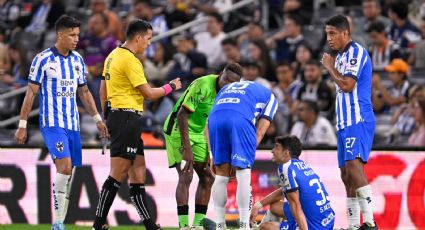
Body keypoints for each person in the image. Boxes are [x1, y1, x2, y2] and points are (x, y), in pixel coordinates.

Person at [14, 15, 108, 230]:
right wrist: (22, 124)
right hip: (52, 123)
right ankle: (57, 224)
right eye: (72, 35)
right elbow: (31, 93)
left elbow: (84, 92)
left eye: (78, 35)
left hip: (73, 124)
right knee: (64, 167)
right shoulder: (43, 59)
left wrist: (97, 119)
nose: (76, 39)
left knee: (69, 175)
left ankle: (60, 222)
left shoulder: (77, 60)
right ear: (60, 35)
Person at [92, 19, 182, 230]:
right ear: (138, 38)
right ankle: (97, 225)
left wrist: (107, 117)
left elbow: (102, 91)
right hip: (126, 118)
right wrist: (171, 86)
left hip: (120, 116)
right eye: (148, 39)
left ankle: (150, 225)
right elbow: (149, 94)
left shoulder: (112, 56)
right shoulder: (130, 61)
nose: (149, 44)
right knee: (118, 173)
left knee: (138, 171)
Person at [163, 63, 243, 229]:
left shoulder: (229, 95)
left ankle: (198, 225)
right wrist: (187, 149)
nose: (226, 84)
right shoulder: (203, 85)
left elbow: (214, 123)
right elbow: (182, 115)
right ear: (220, 74)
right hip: (178, 129)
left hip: (199, 132)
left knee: (208, 178)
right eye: (225, 79)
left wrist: (211, 153)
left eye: (231, 83)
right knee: (186, 175)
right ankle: (183, 226)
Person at [321, 15, 377, 229]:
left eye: (333, 33)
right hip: (344, 122)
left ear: (345, 32)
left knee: (354, 167)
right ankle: (354, 225)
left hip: (358, 118)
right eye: (327, 33)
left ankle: (370, 223)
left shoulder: (355, 52)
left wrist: (329, 67)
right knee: (346, 174)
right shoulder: (341, 57)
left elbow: (347, 85)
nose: (329, 38)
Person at [208, 81, 278, 229]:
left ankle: (220, 225)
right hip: (239, 119)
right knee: (243, 174)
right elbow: (260, 132)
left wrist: (212, 154)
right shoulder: (271, 97)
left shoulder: (228, 87)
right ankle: (244, 225)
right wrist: (245, 154)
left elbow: (209, 120)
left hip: (214, 118)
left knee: (221, 176)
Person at [250, 135, 335, 230]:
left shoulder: (286, 168)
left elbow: (295, 205)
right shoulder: (301, 165)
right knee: (274, 207)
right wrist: (258, 205)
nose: (272, 151)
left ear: (286, 153)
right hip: (328, 219)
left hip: (316, 226)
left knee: (265, 227)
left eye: (277, 147)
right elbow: (283, 191)